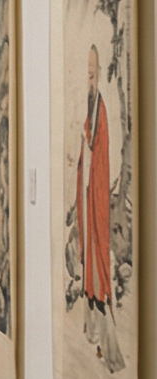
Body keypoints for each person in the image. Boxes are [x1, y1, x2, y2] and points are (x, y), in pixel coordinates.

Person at [77, 43, 116, 355]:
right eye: (85, 77)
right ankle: (91, 326)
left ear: (99, 76)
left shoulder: (99, 109)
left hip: (96, 197)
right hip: (87, 197)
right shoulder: (88, 107)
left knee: (96, 256)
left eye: (92, 76)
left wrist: (88, 148)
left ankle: (99, 328)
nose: (89, 83)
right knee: (87, 257)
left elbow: (99, 158)